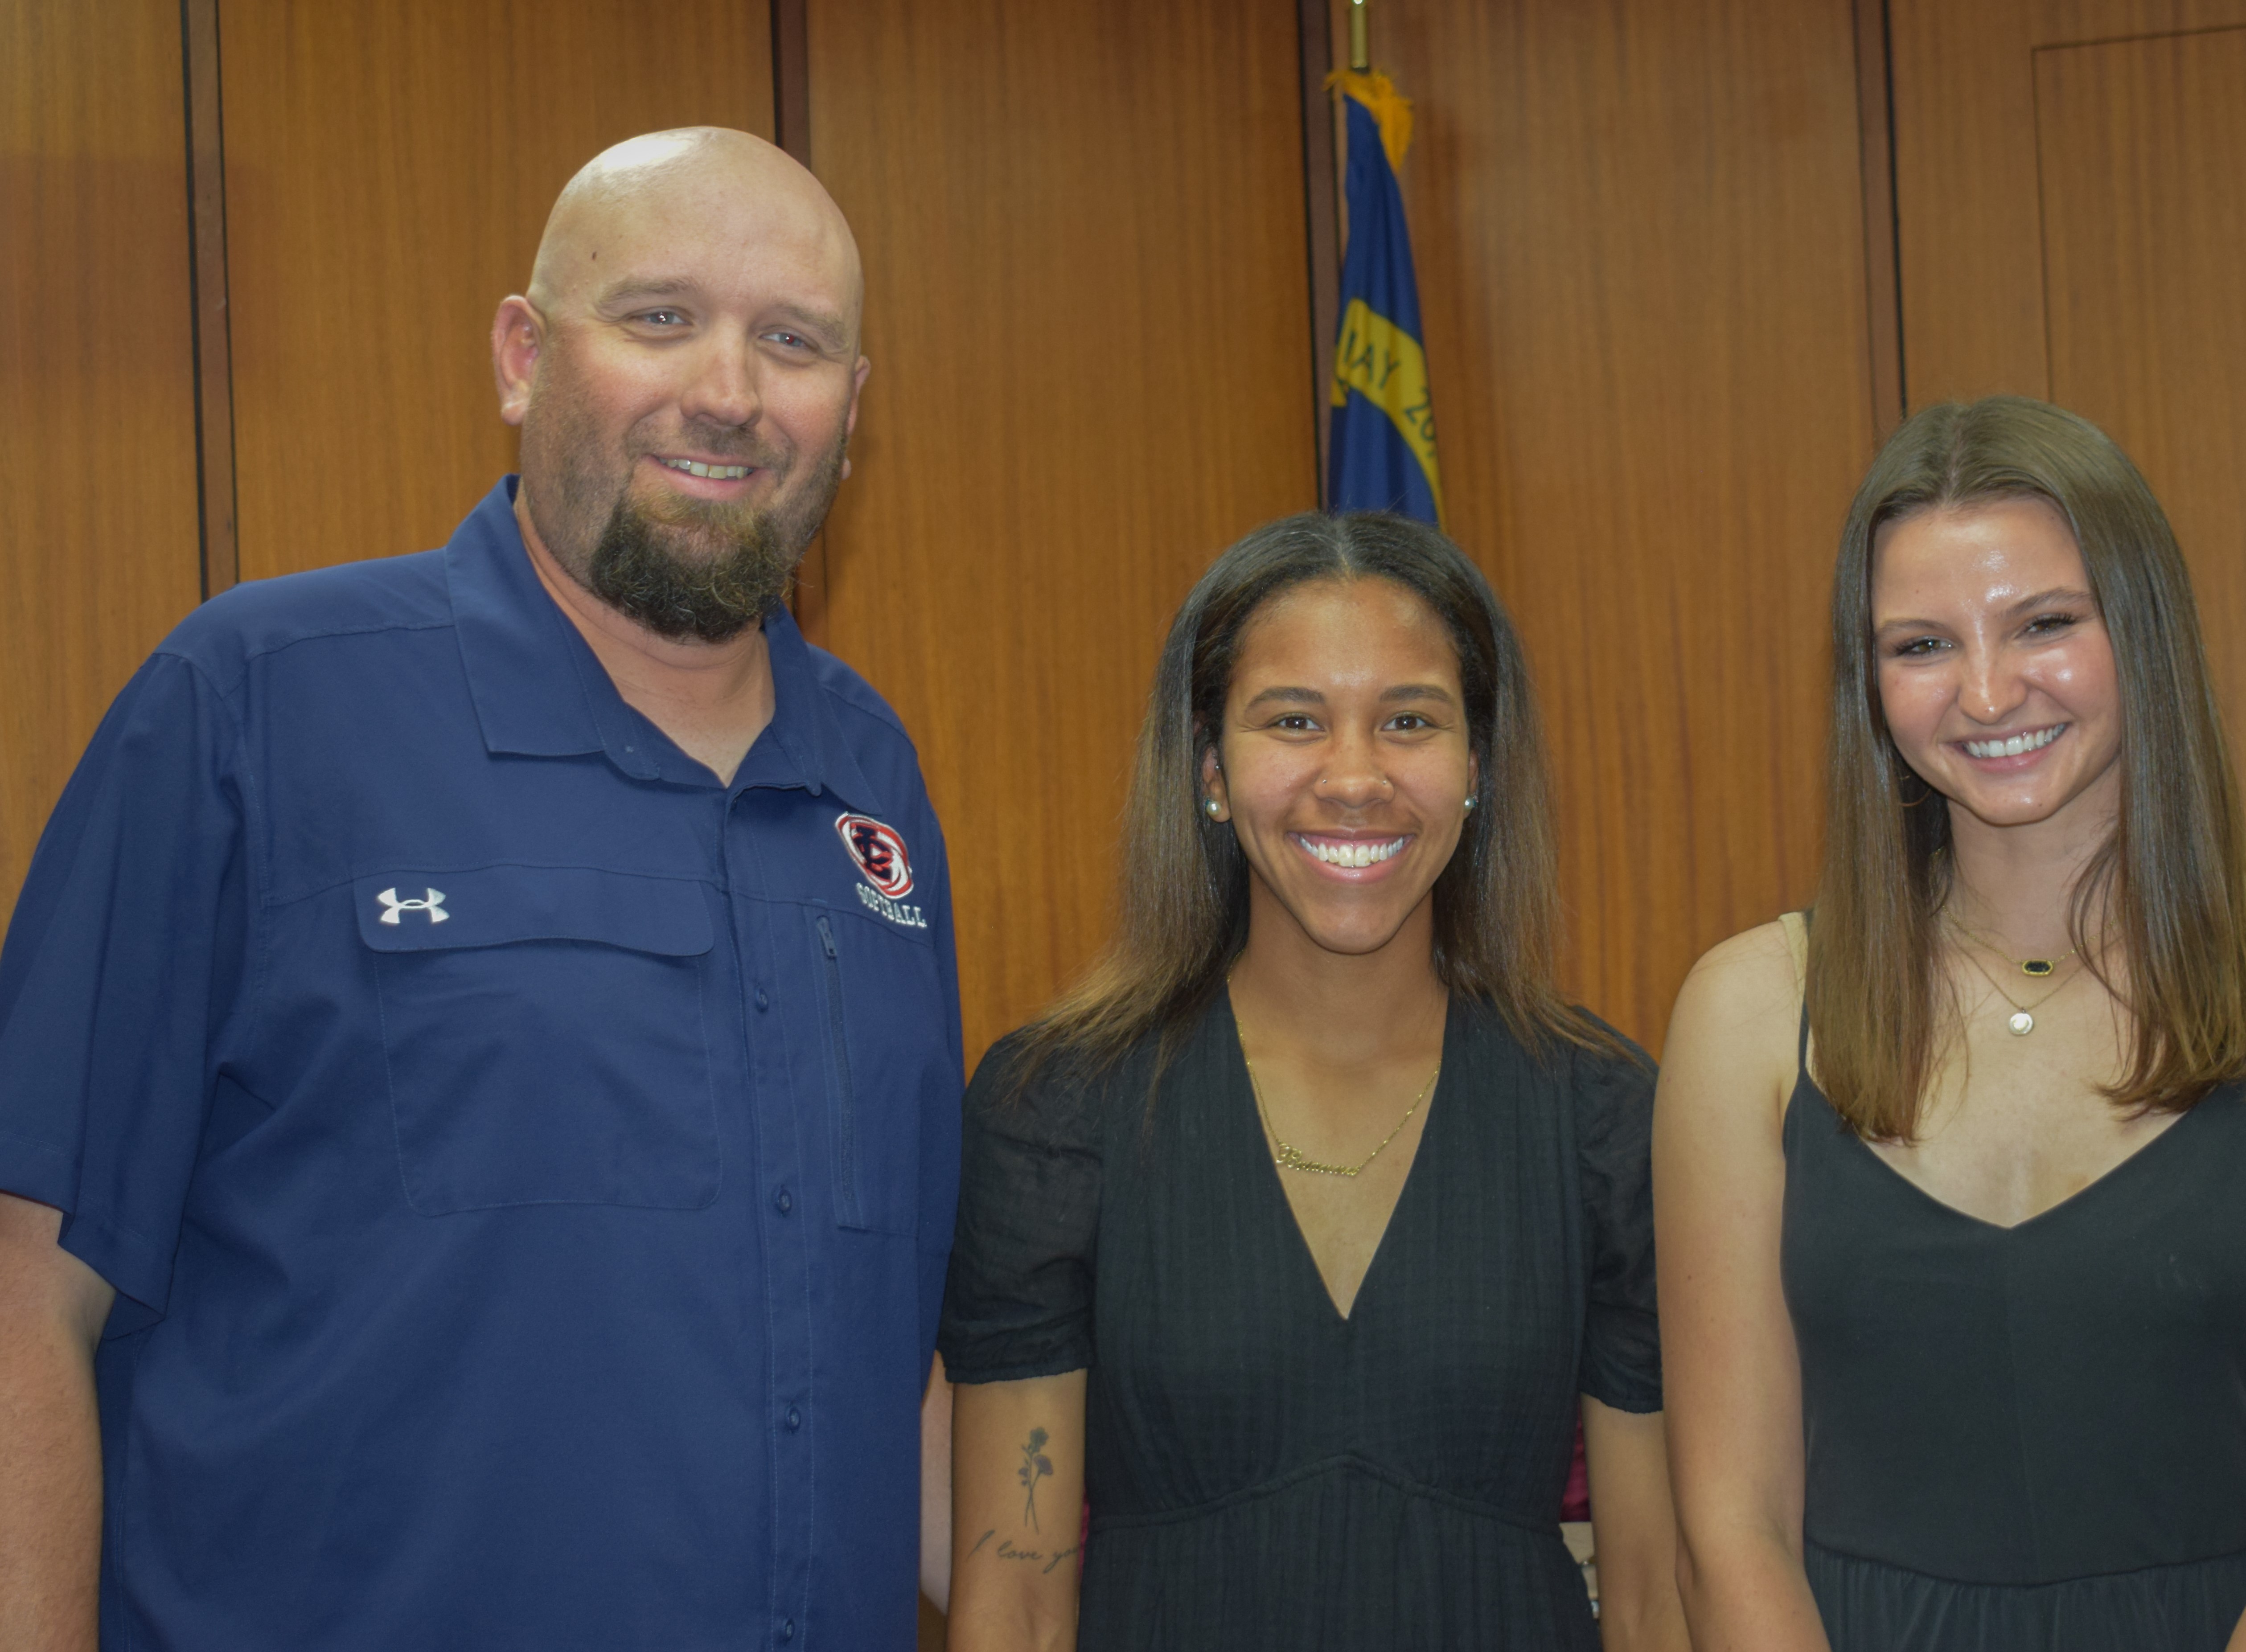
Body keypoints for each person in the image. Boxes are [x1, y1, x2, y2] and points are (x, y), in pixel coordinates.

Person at [0, 127, 961, 1649]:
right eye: (659, 317)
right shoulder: (257, 698)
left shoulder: (874, 787)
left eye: (793, 340)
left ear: (852, 406)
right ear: (523, 354)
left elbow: (885, 1344)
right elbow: (26, 1291)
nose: (727, 388)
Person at [1655, 395, 2246, 1651]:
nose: (1986, 691)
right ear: (1868, 682)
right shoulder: (1748, 1011)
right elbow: (1731, 1534)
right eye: (1921, 644)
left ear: (2141, 627)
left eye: (2044, 623)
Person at [937, 512, 1685, 1652]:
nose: (1353, 777)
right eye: (1292, 720)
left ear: (1476, 766)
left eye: (1408, 721)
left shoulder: (1600, 1112)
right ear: (1210, 772)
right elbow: (1019, 1606)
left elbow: (1647, 1601)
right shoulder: (1057, 1108)